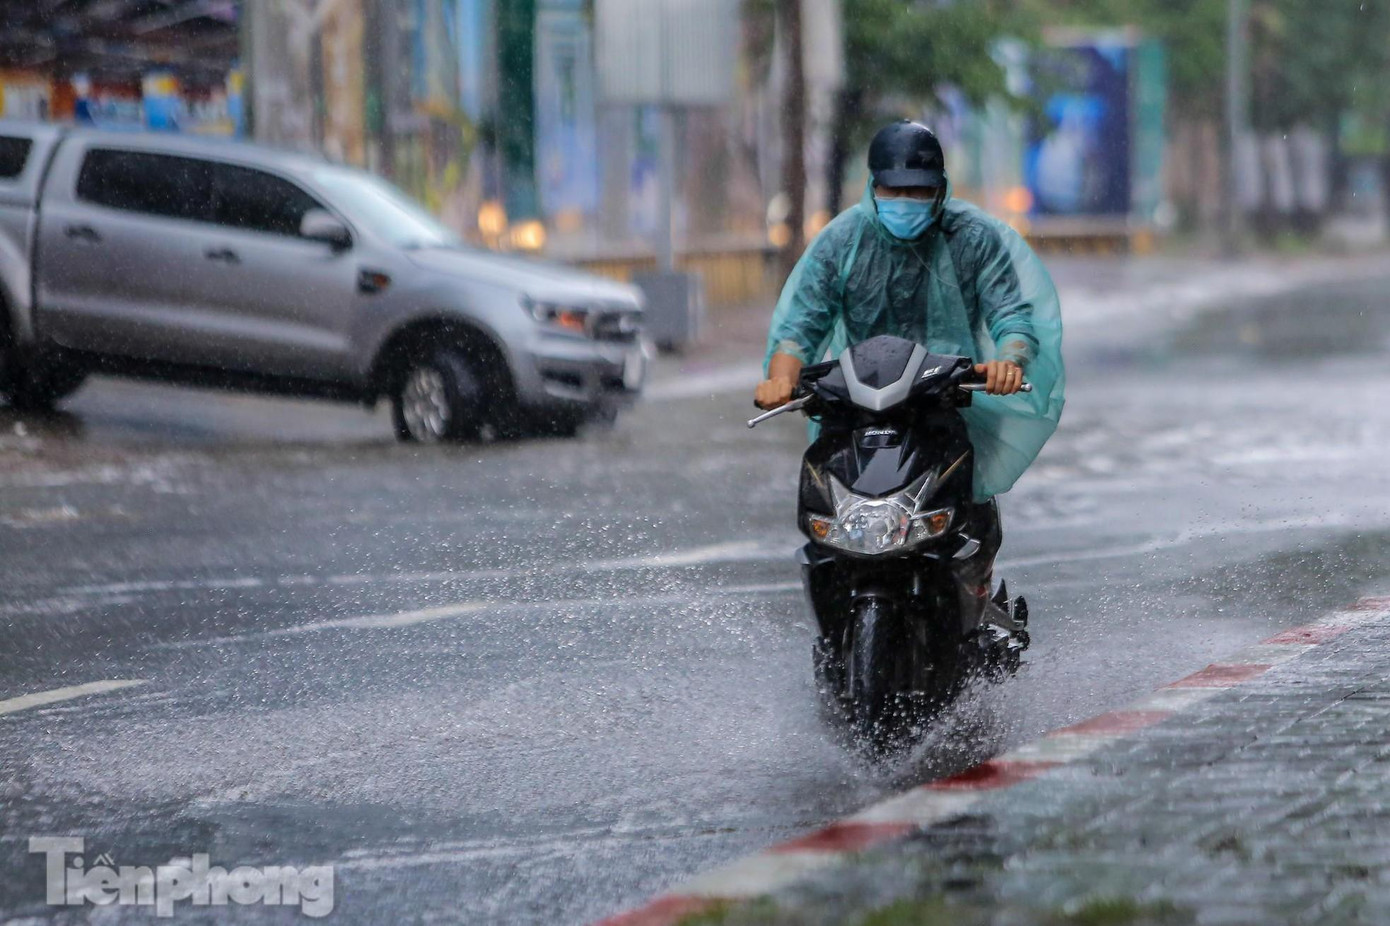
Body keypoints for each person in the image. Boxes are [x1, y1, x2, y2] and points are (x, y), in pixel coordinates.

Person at [754, 119, 1065, 507]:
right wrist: (780, 380)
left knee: (966, 521)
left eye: (919, 189)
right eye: (894, 189)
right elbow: (799, 329)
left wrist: (1010, 361)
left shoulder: (972, 238)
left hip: (944, 401)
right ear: (873, 187)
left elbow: (1011, 315)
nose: (905, 199)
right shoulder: (841, 242)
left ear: (940, 189)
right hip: (858, 406)